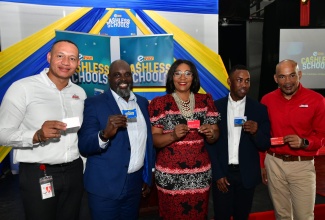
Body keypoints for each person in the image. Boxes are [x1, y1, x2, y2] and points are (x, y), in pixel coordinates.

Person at [0, 40, 86, 220]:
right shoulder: (22, 88)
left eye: (72, 58)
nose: (65, 62)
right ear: (49, 57)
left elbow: (78, 133)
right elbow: (3, 133)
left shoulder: (80, 93)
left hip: (73, 171)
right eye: (60, 56)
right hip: (39, 173)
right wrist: (36, 135)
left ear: (78, 64)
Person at [78, 59, 155, 220]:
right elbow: (84, 145)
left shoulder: (142, 103)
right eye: (117, 75)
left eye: (127, 74)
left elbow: (146, 143)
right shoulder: (94, 104)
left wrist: (147, 176)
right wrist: (104, 134)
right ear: (109, 78)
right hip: (104, 187)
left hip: (135, 183)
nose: (123, 79)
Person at [148, 59, 220, 219]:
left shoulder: (206, 100)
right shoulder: (159, 103)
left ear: (193, 78)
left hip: (199, 175)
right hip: (170, 175)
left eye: (188, 73)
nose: (183, 78)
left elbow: (215, 135)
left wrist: (211, 133)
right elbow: (154, 139)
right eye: (178, 73)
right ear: (171, 77)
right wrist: (172, 135)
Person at [261, 59, 325, 220]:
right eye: (282, 77)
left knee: (304, 216)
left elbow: (321, 136)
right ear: (276, 78)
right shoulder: (267, 100)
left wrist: (304, 142)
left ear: (300, 75)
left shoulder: (317, 100)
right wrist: (262, 164)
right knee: (282, 215)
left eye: (292, 76)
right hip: (274, 162)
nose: (287, 82)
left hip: (302, 165)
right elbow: (263, 135)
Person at [206, 65, 271, 220]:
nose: (244, 84)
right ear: (229, 81)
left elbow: (265, 144)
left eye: (247, 81)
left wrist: (256, 132)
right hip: (223, 174)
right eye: (240, 80)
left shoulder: (259, 109)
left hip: (246, 175)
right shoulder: (215, 107)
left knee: (242, 216)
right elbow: (210, 144)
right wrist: (218, 174)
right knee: (221, 216)